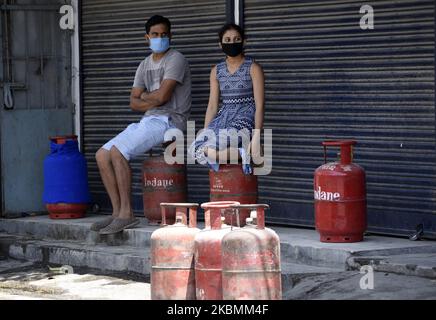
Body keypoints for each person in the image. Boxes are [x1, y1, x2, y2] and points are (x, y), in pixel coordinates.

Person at [91, 15, 191, 234]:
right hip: (148, 120)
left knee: (118, 152)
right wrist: (149, 98)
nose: (160, 38)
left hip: (169, 120)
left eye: (164, 34)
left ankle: (127, 214)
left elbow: (163, 97)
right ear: (147, 37)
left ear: (170, 36)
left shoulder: (176, 59)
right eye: (155, 35)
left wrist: (146, 97)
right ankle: (117, 212)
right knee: (102, 154)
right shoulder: (144, 64)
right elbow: (132, 102)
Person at [189, 23, 264, 174]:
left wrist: (256, 135)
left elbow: (260, 105)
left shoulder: (253, 68)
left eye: (236, 39)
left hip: (244, 116)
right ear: (220, 44)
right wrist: (206, 131)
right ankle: (242, 153)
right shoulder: (216, 71)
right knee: (193, 150)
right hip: (224, 117)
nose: (232, 43)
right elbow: (212, 105)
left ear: (244, 42)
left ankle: (240, 152)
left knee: (214, 146)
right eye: (227, 40)